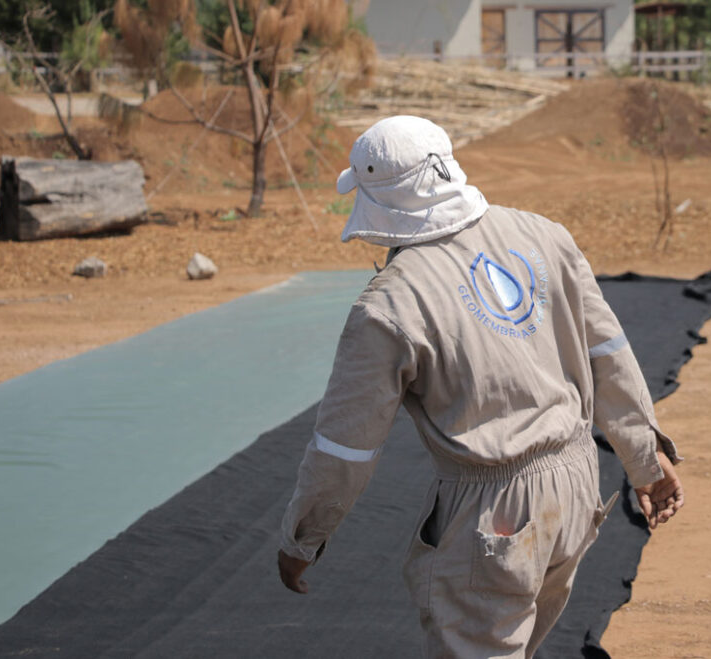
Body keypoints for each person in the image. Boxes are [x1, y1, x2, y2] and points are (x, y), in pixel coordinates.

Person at [277, 115, 684, 658]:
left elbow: (346, 445)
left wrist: (302, 538)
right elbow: (606, 351)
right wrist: (644, 459)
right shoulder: (544, 235)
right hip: (577, 484)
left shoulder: (389, 305)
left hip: (494, 514)